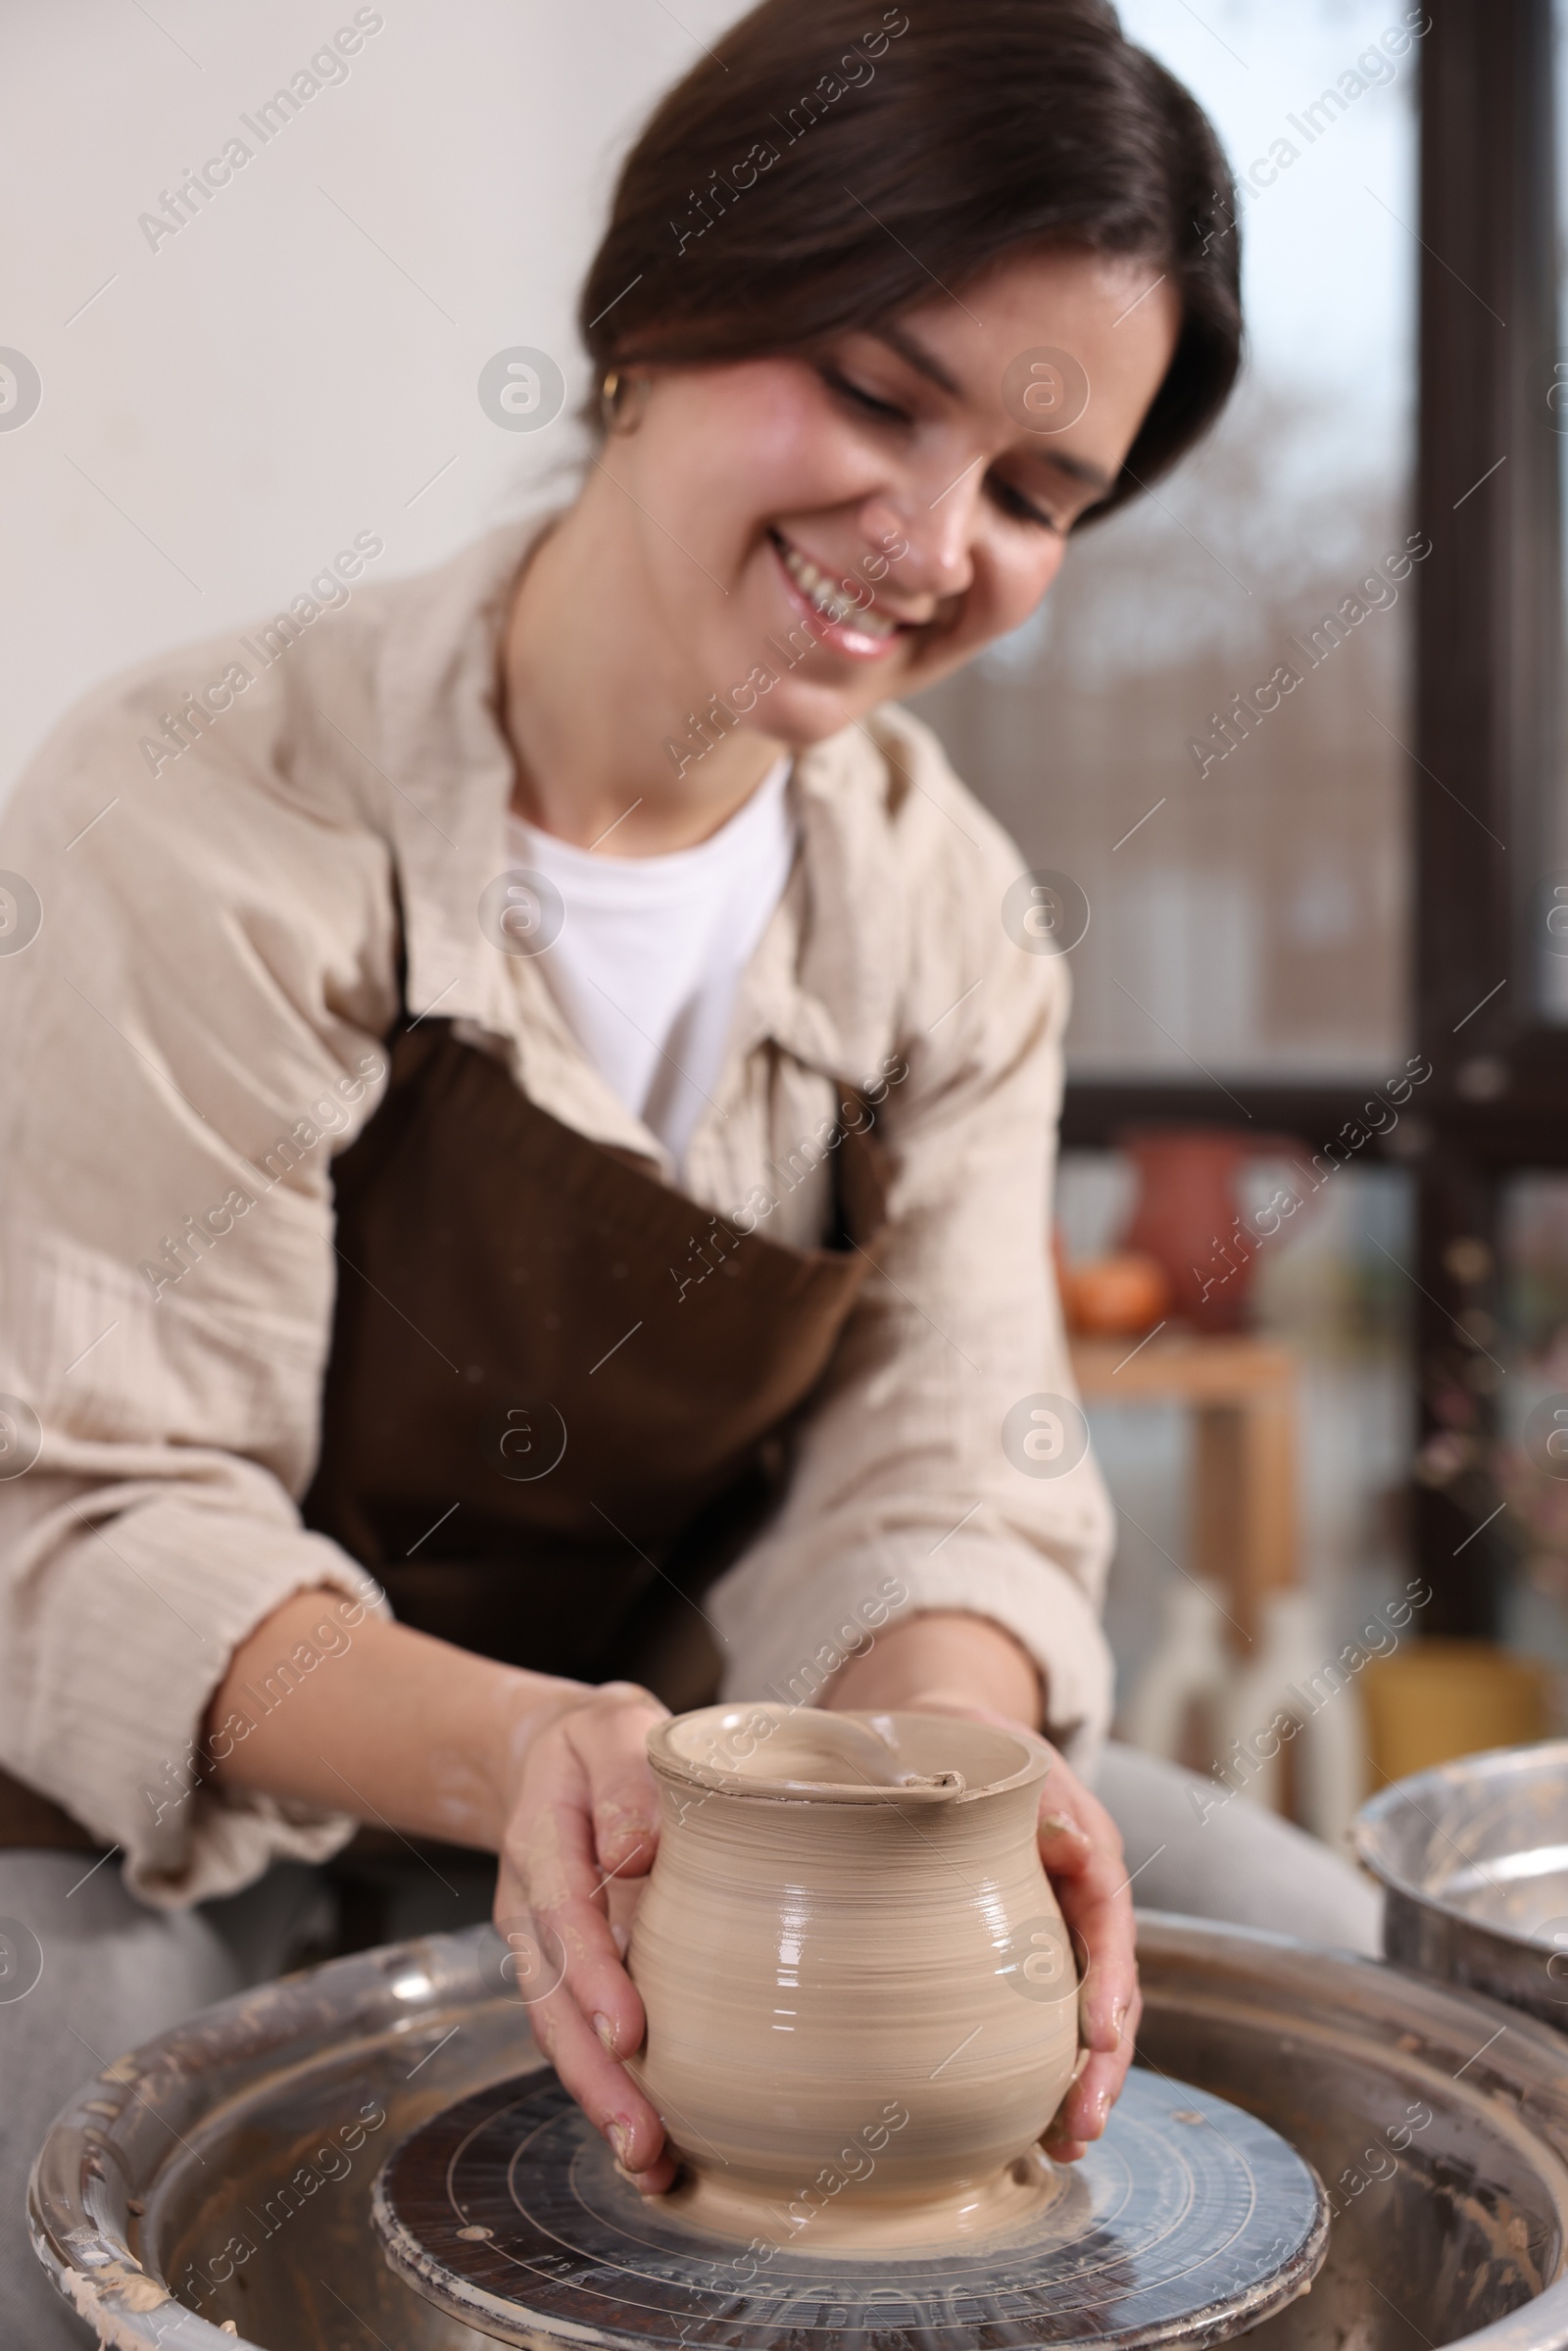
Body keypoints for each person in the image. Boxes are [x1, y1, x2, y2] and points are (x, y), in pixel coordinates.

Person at [0, 2, 1378, 2338]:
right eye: (873, 392)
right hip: (190, 1810)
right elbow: (99, 1514)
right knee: (104, 2216)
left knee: (1329, 1988)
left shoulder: (941, 915)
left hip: (689, 1799)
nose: (929, 542)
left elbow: (938, 1472)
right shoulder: (212, 811)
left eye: (1035, 498)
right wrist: (527, 1760)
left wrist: (938, 1798)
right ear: (646, 319)